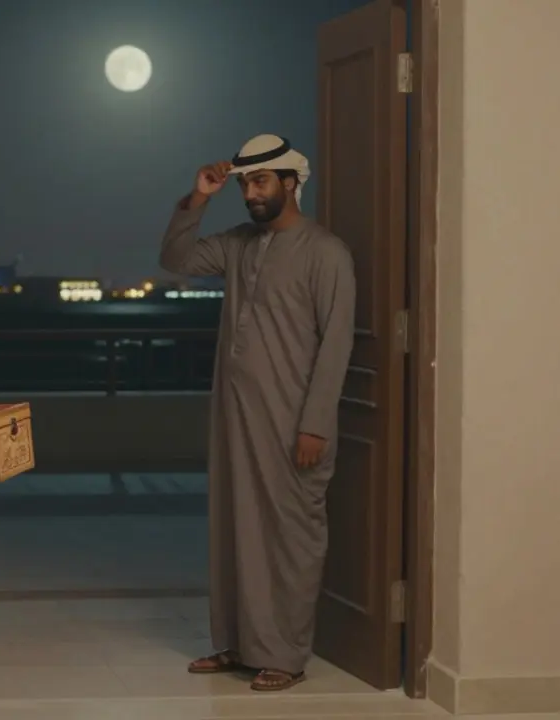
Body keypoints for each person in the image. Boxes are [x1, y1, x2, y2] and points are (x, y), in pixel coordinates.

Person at [159, 134, 356, 691]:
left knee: (289, 534)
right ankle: (238, 645)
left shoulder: (326, 252)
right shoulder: (239, 244)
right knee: (236, 528)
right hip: (237, 419)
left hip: (294, 422)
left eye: (262, 181)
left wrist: (316, 422)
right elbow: (175, 259)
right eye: (245, 183)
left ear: (291, 182)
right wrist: (199, 197)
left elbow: (337, 344)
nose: (251, 192)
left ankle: (284, 656)